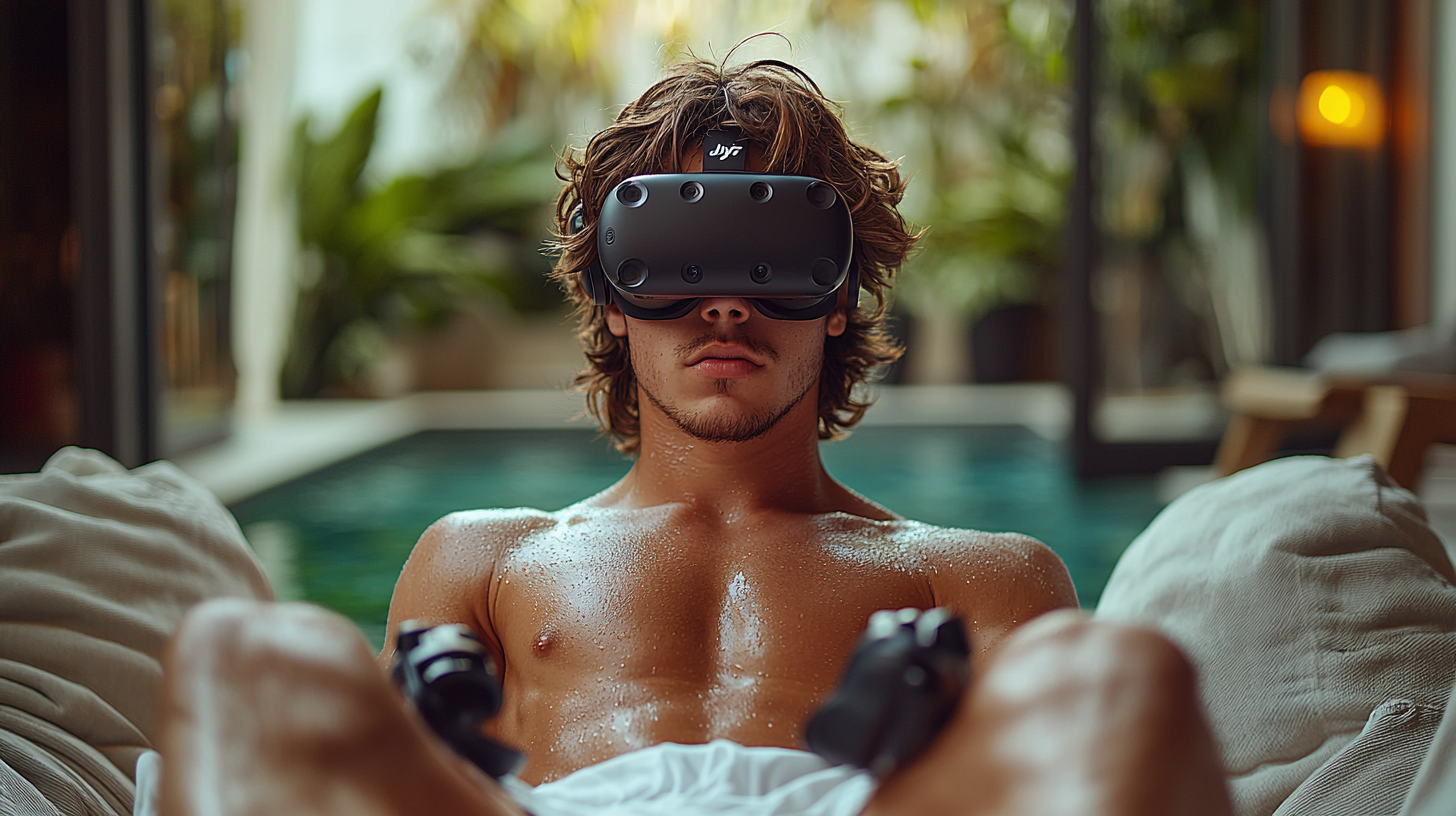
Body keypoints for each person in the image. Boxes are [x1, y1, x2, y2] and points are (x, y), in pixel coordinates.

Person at [155, 53, 1232, 816]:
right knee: (238, 655)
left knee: (1122, 673)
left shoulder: (974, 579)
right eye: (675, 260)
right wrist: (423, 735)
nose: (724, 307)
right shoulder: (481, 559)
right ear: (613, 297)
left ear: (842, 296)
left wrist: (943, 736)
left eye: (769, 258)